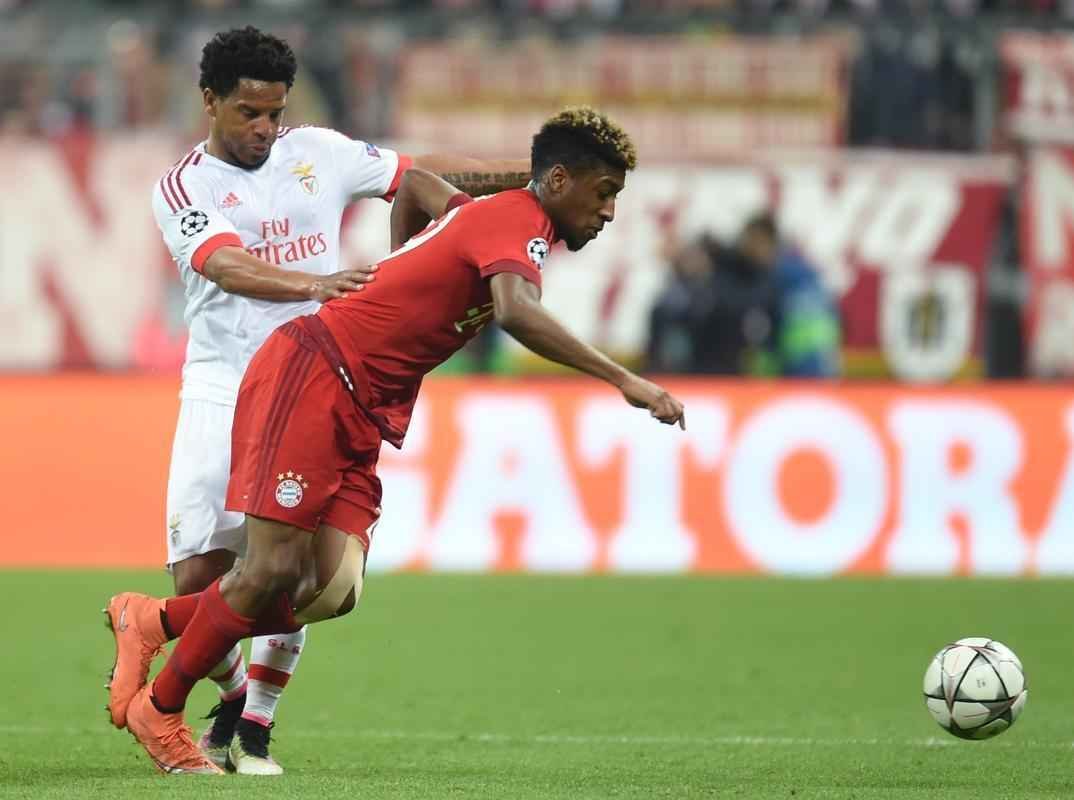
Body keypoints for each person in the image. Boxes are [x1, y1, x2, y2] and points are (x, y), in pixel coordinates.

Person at [106, 106, 685, 775]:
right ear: (558, 180)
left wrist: (402, 263)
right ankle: (162, 708)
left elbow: (411, 188)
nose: (610, 211)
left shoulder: (489, 217)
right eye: (605, 192)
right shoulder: (513, 219)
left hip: (364, 402)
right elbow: (517, 313)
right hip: (316, 372)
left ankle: (152, 621)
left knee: (332, 587)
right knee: (268, 569)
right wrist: (625, 381)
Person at [119, 25, 532, 776]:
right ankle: (232, 699)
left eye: (275, 112)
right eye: (249, 113)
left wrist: (527, 179)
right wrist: (316, 284)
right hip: (223, 384)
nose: (265, 130)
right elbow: (226, 263)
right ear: (209, 101)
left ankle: (252, 729)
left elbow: (417, 176)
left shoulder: (319, 152)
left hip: (316, 383)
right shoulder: (183, 186)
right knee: (200, 582)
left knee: (308, 575)